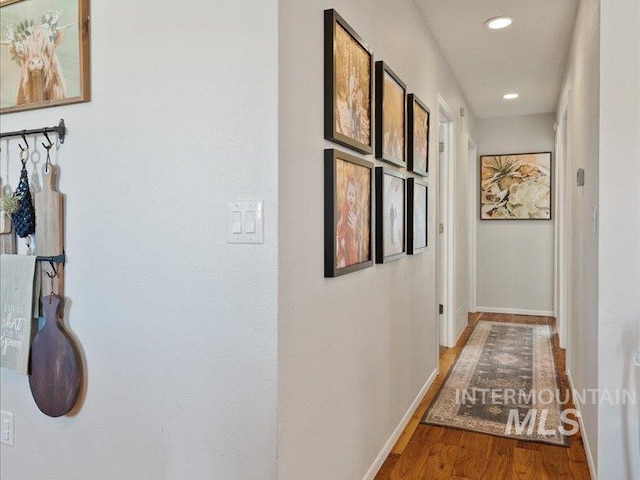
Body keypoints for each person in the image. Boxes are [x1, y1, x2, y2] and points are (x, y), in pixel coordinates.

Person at [336, 177, 361, 268]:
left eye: (353, 195)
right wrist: (343, 240)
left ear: (356, 198)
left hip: (351, 250)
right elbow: (340, 229)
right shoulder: (343, 211)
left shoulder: (356, 212)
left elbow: (358, 235)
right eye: (349, 194)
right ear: (346, 195)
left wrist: (355, 230)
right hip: (343, 251)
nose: (351, 197)